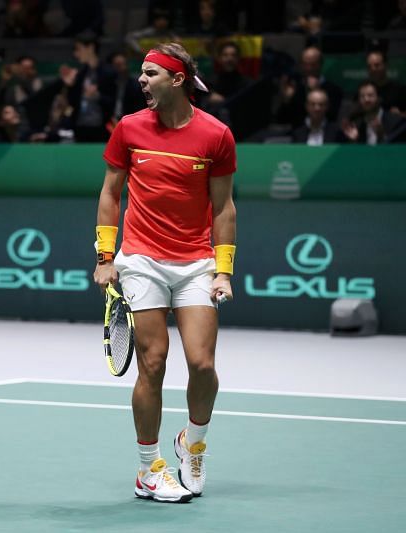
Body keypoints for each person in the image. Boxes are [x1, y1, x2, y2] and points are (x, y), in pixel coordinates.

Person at [93, 42, 236, 503]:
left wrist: (223, 270)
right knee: (153, 362)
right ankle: (148, 470)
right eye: (141, 72)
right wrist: (105, 257)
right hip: (141, 260)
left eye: (151, 73)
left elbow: (224, 207)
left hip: (196, 262)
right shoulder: (129, 129)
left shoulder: (216, 135)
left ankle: (192, 442)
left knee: (203, 364)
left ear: (178, 80)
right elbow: (111, 195)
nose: (142, 79)